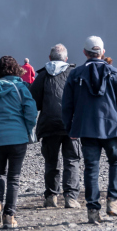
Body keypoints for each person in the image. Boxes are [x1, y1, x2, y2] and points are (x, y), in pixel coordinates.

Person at [62, 36, 117, 224]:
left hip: (86, 128)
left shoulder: (75, 74)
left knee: (91, 168)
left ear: (85, 53)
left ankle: (93, 210)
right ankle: (113, 201)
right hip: (112, 127)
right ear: (103, 52)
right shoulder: (114, 72)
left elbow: (67, 105)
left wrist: (69, 127)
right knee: (116, 162)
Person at [0, 56, 38, 229]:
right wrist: (26, 128)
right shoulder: (22, 88)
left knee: (0, 173)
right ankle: (9, 216)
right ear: (16, 70)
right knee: (14, 177)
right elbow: (31, 112)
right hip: (18, 138)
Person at [28, 44, 81, 209]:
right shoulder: (73, 74)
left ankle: (51, 196)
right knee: (72, 160)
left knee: (51, 161)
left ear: (49, 58)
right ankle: (71, 197)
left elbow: (33, 103)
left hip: (49, 124)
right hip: (70, 124)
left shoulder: (43, 75)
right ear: (66, 59)